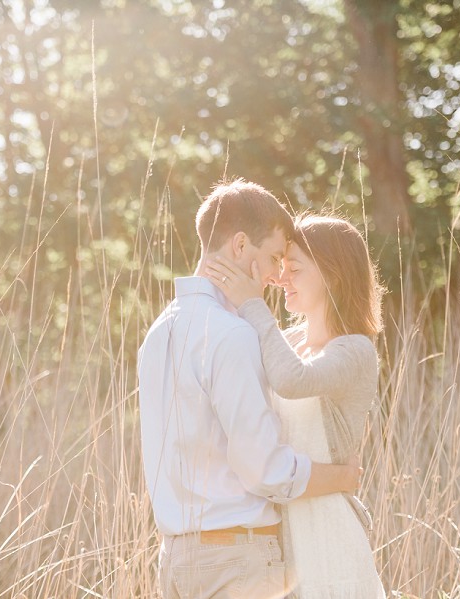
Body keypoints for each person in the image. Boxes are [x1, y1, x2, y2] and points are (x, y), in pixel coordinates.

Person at [138, 180, 363, 599]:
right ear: (240, 246)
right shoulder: (232, 334)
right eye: (275, 257)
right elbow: (265, 470)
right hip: (236, 562)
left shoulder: (159, 331)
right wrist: (339, 477)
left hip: (176, 563)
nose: (279, 274)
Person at [205, 212, 387, 598]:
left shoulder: (355, 350)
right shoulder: (286, 340)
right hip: (275, 540)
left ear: (332, 274)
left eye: (295, 269)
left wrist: (254, 305)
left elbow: (293, 380)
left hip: (328, 536)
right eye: (282, 266)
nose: (281, 278)